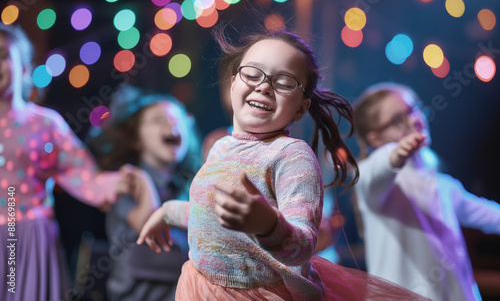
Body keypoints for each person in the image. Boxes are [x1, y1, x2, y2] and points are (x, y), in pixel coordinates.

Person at [137, 29, 430, 301]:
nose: (264, 86)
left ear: (301, 107)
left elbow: (302, 246)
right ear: (233, 83)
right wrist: (167, 212)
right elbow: (213, 215)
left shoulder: (292, 156)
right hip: (198, 288)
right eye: (252, 74)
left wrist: (268, 225)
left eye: (284, 81)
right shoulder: (220, 147)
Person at [0, 24, 124, 300]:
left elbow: (84, 175)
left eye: (2, 55)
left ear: (22, 68)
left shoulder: (45, 124)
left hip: (30, 239)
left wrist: (124, 183)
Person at [352, 82, 500, 301]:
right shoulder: (378, 185)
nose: (414, 120)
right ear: (375, 138)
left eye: (414, 109)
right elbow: (374, 173)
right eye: (397, 120)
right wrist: (394, 154)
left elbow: (490, 215)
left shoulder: (444, 186)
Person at [88, 84, 202, 301]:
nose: (172, 124)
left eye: (179, 119)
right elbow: (148, 242)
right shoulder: (126, 184)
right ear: (136, 139)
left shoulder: (192, 189)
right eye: (158, 119)